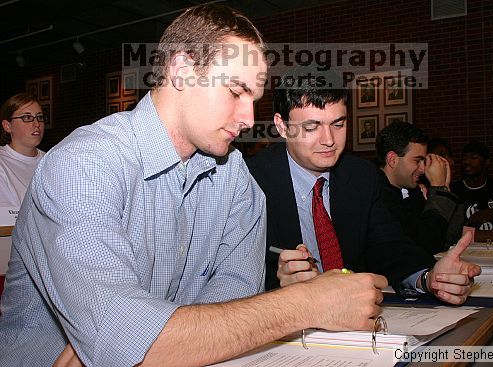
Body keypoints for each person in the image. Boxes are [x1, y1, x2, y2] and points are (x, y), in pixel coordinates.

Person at [0, 6, 386, 367]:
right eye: (236, 91)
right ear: (182, 70)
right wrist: (304, 304)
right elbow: (124, 342)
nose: (249, 118)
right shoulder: (84, 164)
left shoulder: (235, 176)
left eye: (254, 97)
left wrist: (152, 336)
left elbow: (232, 307)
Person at [246, 69, 479, 305]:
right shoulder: (250, 181)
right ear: (282, 126)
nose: (328, 140)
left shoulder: (361, 176)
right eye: (311, 127)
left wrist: (430, 278)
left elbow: (390, 247)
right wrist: (277, 290)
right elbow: (229, 279)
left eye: (338, 124)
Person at [375, 122, 463, 254]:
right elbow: (428, 243)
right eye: (417, 160)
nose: (422, 169)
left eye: (424, 161)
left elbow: (447, 241)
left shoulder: (413, 191)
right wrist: (439, 191)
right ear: (392, 159)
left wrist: (444, 189)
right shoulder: (377, 196)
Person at [0, 93, 46, 207]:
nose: (37, 124)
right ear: (8, 126)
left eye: (39, 117)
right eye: (27, 118)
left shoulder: (52, 160)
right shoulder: (2, 162)